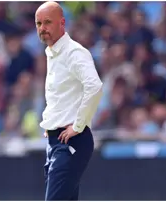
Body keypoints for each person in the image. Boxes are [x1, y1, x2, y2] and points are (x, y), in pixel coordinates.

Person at [35, 2, 103, 200]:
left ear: (62, 23)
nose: (42, 28)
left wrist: (78, 125)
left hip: (71, 141)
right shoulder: (53, 53)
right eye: (39, 23)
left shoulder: (74, 52)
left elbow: (95, 86)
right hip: (57, 140)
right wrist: (52, 124)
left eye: (48, 22)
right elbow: (61, 96)